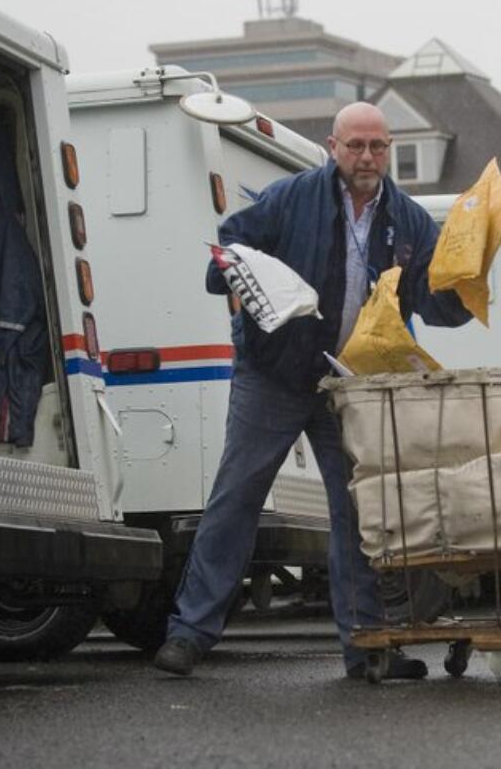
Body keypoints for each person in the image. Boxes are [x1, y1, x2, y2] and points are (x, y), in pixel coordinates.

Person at [154, 102, 471, 678]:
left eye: (378, 146)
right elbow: (227, 252)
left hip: (349, 387)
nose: (367, 157)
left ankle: (366, 648)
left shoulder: (410, 220)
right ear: (333, 146)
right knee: (236, 498)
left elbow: (436, 306)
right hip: (272, 376)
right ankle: (189, 634)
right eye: (356, 146)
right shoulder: (290, 197)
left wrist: (468, 283)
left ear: (389, 148)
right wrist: (241, 277)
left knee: (358, 513)